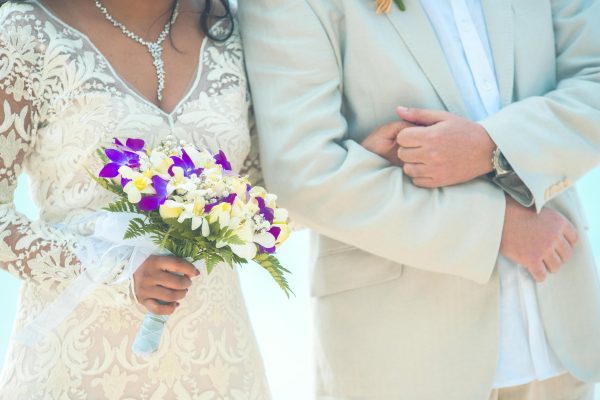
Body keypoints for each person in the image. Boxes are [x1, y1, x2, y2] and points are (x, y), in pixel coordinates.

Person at [239, 0, 600, 399]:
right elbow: (304, 176)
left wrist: (490, 148)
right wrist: (495, 226)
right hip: (403, 355)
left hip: (560, 330)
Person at [0, 0, 270, 398]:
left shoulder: (230, 23)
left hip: (217, 362)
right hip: (78, 364)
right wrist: (116, 271)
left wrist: (360, 159)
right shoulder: (24, 31)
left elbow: (267, 195)